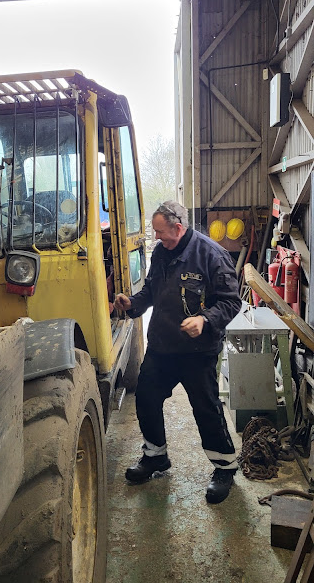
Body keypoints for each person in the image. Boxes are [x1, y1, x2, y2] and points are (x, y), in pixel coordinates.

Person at [114, 201, 242, 504]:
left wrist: (205, 319)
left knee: (206, 408)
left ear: (178, 227)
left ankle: (224, 467)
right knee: (146, 398)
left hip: (198, 351)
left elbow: (230, 301)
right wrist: (132, 304)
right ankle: (155, 456)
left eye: (160, 232)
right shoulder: (160, 253)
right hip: (163, 346)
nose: (157, 238)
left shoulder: (211, 255)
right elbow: (151, 291)